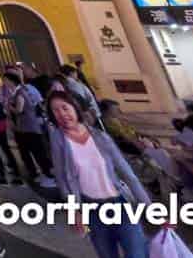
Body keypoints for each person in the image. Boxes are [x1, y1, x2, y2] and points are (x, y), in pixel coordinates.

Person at [47, 89, 149, 258]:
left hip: (120, 206)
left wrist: (151, 208)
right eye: (55, 111)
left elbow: (128, 174)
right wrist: (75, 211)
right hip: (91, 210)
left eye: (64, 108)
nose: (61, 114)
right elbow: (63, 180)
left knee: (137, 253)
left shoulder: (100, 137)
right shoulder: (58, 140)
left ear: (75, 108)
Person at [3, 69, 54, 185]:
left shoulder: (20, 92)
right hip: (32, 125)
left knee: (36, 152)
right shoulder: (25, 89)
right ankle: (45, 174)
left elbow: (19, 110)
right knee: (38, 151)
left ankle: (47, 176)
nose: (5, 83)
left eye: (6, 80)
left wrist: (8, 106)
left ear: (12, 80)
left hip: (28, 126)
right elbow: (39, 102)